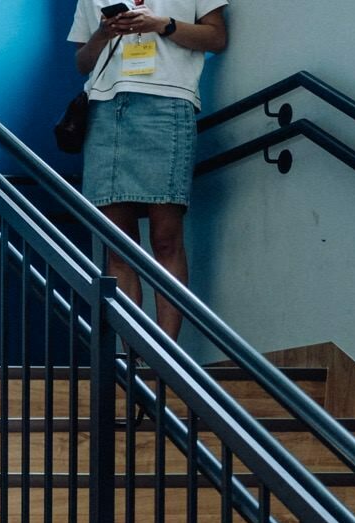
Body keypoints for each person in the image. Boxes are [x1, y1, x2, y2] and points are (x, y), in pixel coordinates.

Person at [69, 0, 228, 342]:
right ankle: (132, 354)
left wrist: (162, 25)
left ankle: (166, 352)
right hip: (106, 109)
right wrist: (103, 32)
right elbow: (82, 62)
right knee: (118, 245)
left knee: (166, 237)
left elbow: (216, 38)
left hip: (167, 105)